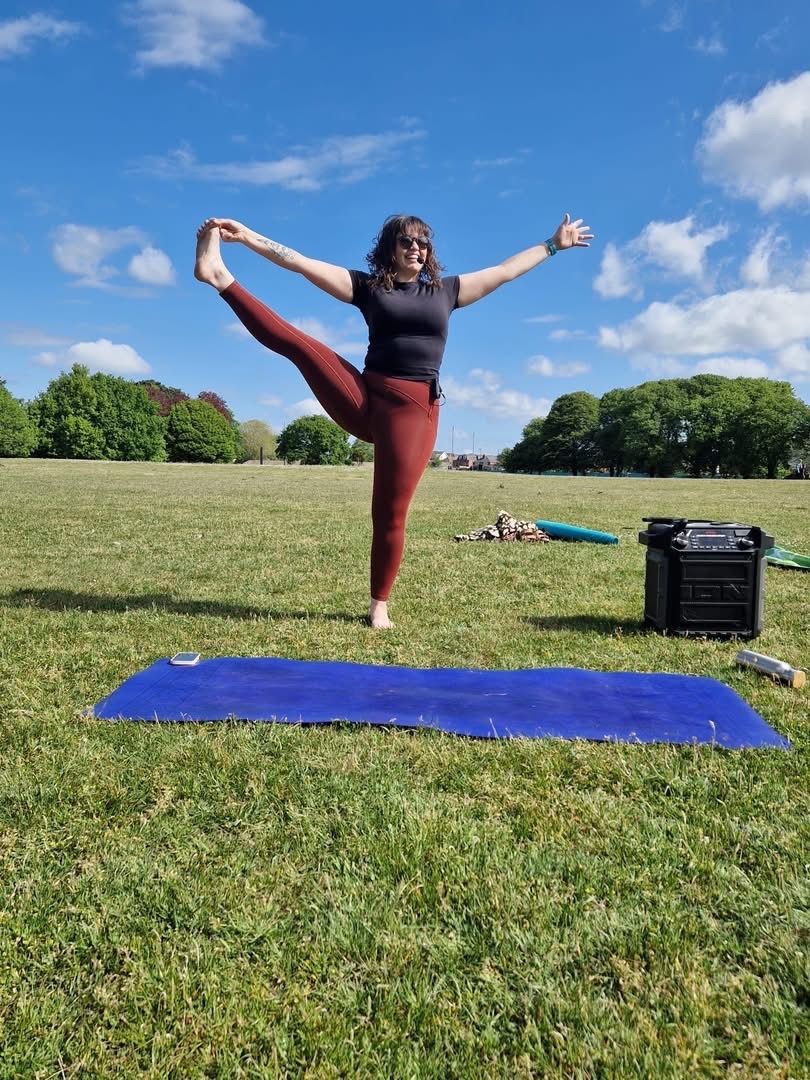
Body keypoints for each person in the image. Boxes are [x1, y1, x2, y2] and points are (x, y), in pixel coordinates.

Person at [194, 211, 593, 628]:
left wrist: (552, 245)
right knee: (301, 346)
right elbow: (299, 262)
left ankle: (378, 604)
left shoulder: (447, 291)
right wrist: (248, 236)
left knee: (389, 512)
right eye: (406, 241)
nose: (416, 248)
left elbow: (505, 271)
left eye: (423, 242)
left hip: (413, 413)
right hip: (366, 398)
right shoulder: (368, 288)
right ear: (390, 248)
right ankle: (219, 277)